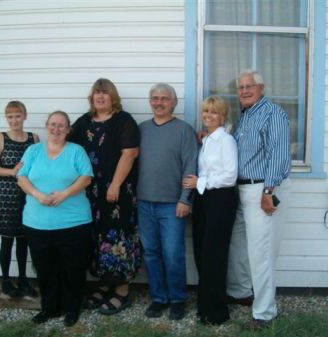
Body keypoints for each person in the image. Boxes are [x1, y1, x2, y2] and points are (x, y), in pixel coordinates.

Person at [226, 70, 291, 330]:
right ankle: (242, 293)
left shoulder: (272, 114)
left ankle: (264, 313)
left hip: (262, 190)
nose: (243, 91)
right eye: (240, 87)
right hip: (241, 191)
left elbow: (279, 153)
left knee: (261, 253)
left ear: (261, 88)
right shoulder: (245, 117)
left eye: (249, 86)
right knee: (240, 247)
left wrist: (268, 192)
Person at [70, 78, 140, 315]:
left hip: (117, 192)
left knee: (118, 236)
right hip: (91, 192)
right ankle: (104, 282)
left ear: (113, 97)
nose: (100, 97)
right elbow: (67, 147)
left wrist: (115, 184)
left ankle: (121, 289)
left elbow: (129, 154)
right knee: (97, 236)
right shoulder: (83, 122)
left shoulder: (124, 121)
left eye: (105, 94)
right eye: (96, 94)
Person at [17, 111, 93, 327]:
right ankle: (49, 308)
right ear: (46, 126)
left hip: (73, 223)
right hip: (37, 223)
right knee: (45, 268)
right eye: (52, 124)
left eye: (61, 126)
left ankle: (72, 309)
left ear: (68, 129)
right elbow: (21, 178)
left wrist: (64, 194)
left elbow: (86, 178)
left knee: (73, 268)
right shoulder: (32, 151)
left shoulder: (76, 151)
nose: (56, 129)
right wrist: (37, 194)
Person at [137, 83, 197, 320]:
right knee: (151, 253)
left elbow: (190, 166)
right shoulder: (141, 129)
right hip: (143, 202)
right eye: (154, 98)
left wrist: (185, 200)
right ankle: (159, 298)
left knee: (173, 254)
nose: (159, 102)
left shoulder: (184, 130)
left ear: (174, 103)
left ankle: (178, 299)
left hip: (172, 204)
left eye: (164, 98)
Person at [183, 96, 238, 325]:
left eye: (214, 112)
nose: (209, 116)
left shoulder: (226, 140)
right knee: (201, 253)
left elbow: (230, 175)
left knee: (214, 255)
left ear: (223, 116)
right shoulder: (206, 140)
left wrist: (199, 183)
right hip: (205, 200)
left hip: (221, 200)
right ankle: (205, 306)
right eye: (206, 112)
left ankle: (216, 311)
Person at [0, 100, 39, 298]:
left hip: (26, 194)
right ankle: (6, 280)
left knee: (24, 239)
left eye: (18, 116)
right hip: (5, 195)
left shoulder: (34, 138)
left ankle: (24, 280)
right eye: (10, 116)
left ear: (25, 116)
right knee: (7, 240)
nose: (14, 120)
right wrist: (12, 171)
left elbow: (38, 163)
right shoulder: (0, 138)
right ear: (6, 118)